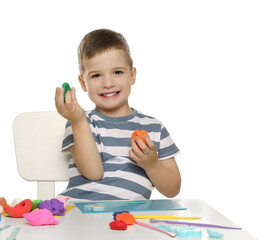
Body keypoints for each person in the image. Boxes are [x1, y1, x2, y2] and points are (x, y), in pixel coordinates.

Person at [54, 29, 181, 201]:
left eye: (118, 72)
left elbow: (172, 189)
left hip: (127, 219)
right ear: (83, 83)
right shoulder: (80, 122)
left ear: (132, 76)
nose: (108, 83)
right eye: (96, 75)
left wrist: (152, 165)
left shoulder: (155, 128)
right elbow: (93, 173)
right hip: (79, 210)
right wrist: (77, 121)